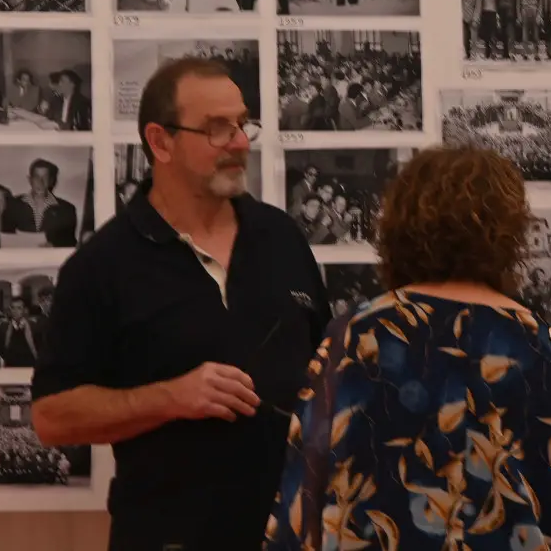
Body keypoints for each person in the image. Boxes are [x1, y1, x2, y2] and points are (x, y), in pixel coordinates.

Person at [262, 146, 551, 550]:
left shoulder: (352, 338)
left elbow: (300, 497)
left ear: (398, 226)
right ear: (507, 233)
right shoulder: (549, 345)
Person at [31, 56, 331, 551]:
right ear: (160, 141)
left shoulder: (281, 236)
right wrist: (170, 397)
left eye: (242, 124)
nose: (239, 142)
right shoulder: (102, 265)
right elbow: (52, 418)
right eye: (216, 129)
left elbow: (322, 375)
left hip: (294, 535)